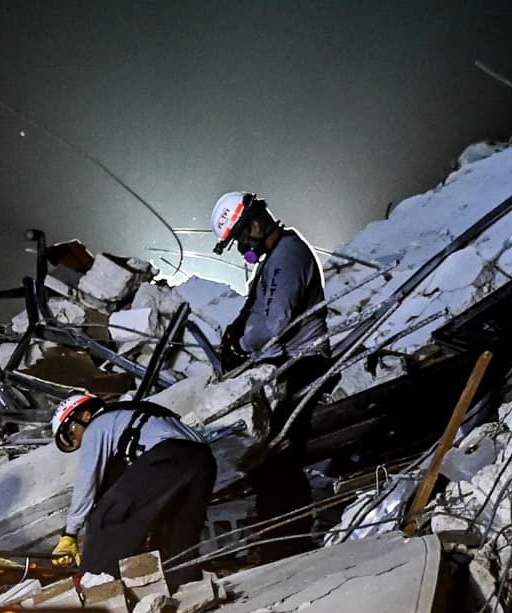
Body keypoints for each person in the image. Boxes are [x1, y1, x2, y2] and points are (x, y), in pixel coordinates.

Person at [211, 191, 335, 560]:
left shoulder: (287, 257)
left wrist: (242, 345)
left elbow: (276, 323)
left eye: (240, 240)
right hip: (286, 367)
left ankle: (288, 545)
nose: (241, 249)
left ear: (254, 223)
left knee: (279, 456)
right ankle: (277, 541)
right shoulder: (273, 261)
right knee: (268, 456)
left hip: (303, 364)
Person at [50, 393, 217, 585]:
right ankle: (187, 586)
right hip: (203, 461)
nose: (77, 442)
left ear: (85, 416)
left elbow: (87, 482)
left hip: (166, 457)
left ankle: (97, 584)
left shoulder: (97, 425)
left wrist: (70, 534)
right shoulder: (130, 419)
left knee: (105, 518)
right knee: (175, 533)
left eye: (72, 433)